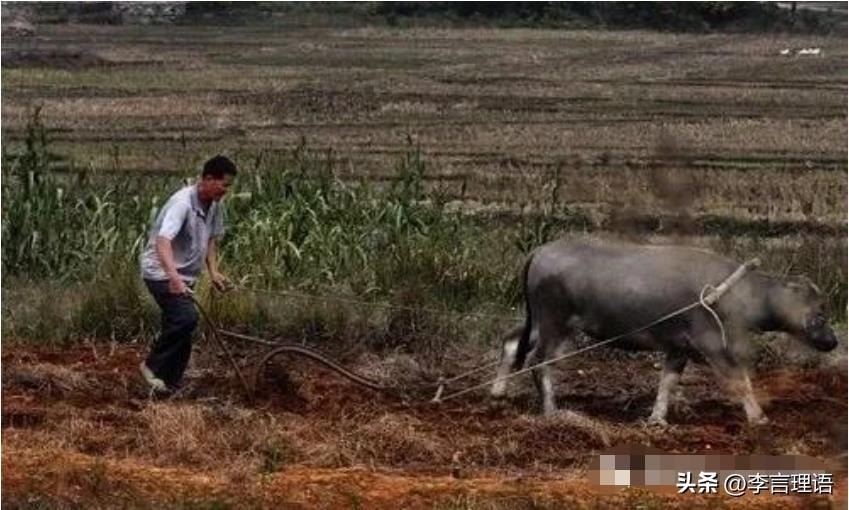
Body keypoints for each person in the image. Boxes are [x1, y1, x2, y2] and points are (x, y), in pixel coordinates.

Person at [139, 155, 237, 395]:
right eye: (223, 184)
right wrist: (173, 278)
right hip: (161, 272)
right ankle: (151, 367)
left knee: (181, 326)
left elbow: (211, 239)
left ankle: (169, 384)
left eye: (229, 186)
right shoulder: (182, 203)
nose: (225, 191)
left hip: (183, 276)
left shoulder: (214, 205)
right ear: (207, 178)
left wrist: (213, 272)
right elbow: (163, 242)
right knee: (186, 318)